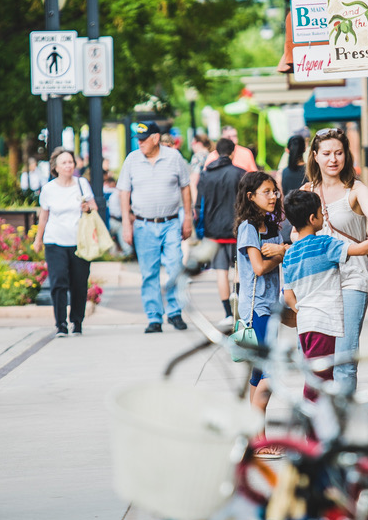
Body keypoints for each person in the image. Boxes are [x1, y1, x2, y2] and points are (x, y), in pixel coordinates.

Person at [281, 190, 368, 404]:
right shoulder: (325, 244)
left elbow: (289, 296)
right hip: (324, 325)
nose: (323, 216)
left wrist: (305, 311)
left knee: (320, 377)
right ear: (313, 219)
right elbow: (361, 248)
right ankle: (313, 430)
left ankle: (320, 427)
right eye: (321, 213)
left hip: (306, 325)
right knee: (319, 382)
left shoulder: (290, 254)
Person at [302, 126, 368, 394]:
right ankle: (322, 418)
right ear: (315, 156)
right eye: (327, 153)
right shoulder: (307, 191)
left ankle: (345, 420)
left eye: (339, 153)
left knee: (344, 361)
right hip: (318, 285)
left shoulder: (354, 189)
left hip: (352, 280)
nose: (333, 159)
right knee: (318, 362)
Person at [118, 121, 193, 333]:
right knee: (149, 272)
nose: (139, 142)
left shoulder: (173, 157)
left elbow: (185, 188)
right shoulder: (132, 160)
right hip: (143, 224)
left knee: (175, 267)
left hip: (170, 222)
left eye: (143, 139)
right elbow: (124, 192)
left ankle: (176, 312)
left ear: (155, 138)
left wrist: (187, 218)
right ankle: (154, 318)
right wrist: (126, 223)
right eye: (138, 139)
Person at [235, 171, 287, 413]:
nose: (273, 196)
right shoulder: (249, 228)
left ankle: (255, 439)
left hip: (270, 305)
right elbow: (258, 268)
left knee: (258, 375)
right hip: (257, 308)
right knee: (269, 372)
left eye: (274, 191)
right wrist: (281, 254)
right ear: (250, 196)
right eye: (265, 192)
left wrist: (280, 251)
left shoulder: (271, 226)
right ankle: (259, 441)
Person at [33, 147, 97, 336]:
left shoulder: (82, 184)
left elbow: (94, 209)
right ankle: (60, 323)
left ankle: (77, 321)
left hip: (79, 242)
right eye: (64, 163)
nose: (68, 166)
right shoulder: (48, 189)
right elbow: (43, 217)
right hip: (55, 241)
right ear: (56, 167)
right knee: (58, 281)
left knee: (79, 283)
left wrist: (87, 208)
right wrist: (38, 239)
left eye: (70, 162)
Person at [196, 137, 246, 324]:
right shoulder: (241, 174)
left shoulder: (206, 174)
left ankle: (227, 314)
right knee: (240, 271)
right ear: (233, 152)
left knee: (221, 272)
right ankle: (239, 311)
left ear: (216, 152)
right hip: (238, 229)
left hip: (214, 231)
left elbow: (199, 204)